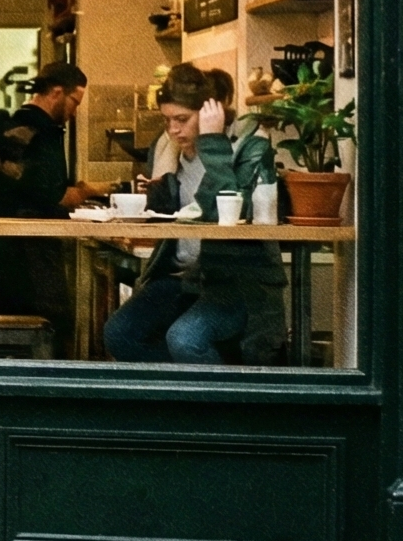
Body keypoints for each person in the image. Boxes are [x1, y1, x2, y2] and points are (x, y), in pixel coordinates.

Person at [102, 63, 286, 365]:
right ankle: (180, 397)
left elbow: (232, 211)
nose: (173, 129)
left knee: (185, 338)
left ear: (209, 111)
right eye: (167, 120)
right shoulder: (169, 154)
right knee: (119, 333)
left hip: (238, 283)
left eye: (182, 119)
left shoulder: (247, 147)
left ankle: (215, 406)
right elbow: (174, 217)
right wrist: (154, 195)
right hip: (184, 279)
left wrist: (213, 143)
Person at [0, 61, 89, 353]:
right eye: (74, 102)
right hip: (31, 247)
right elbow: (53, 195)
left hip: (7, 246)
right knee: (52, 322)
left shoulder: (15, 125)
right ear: (57, 92)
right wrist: (81, 193)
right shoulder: (41, 131)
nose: (74, 113)